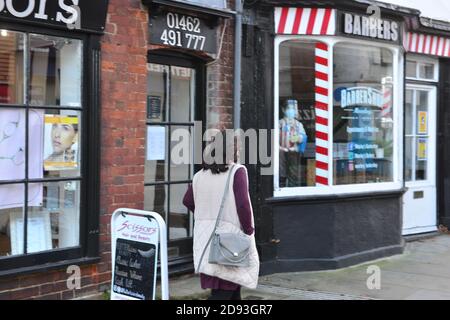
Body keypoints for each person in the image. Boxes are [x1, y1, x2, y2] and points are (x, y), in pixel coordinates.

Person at [183, 131, 259, 300]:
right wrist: (249, 230)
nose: (239, 152)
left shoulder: (199, 175)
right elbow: (243, 205)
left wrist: (206, 218)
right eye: (237, 148)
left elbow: (188, 201)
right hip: (229, 241)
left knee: (231, 290)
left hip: (206, 239)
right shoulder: (237, 172)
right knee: (225, 290)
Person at [279, 99, 307, 187]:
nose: (291, 111)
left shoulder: (298, 124)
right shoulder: (279, 123)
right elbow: (273, 136)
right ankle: (281, 186)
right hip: (281, 152)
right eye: (288, 108)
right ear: (283, 110)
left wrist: (298, 138)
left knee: (293, 173)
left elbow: (303, 136)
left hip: (294, 152)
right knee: (281, 172)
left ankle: (292, 188)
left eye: (293, 109)